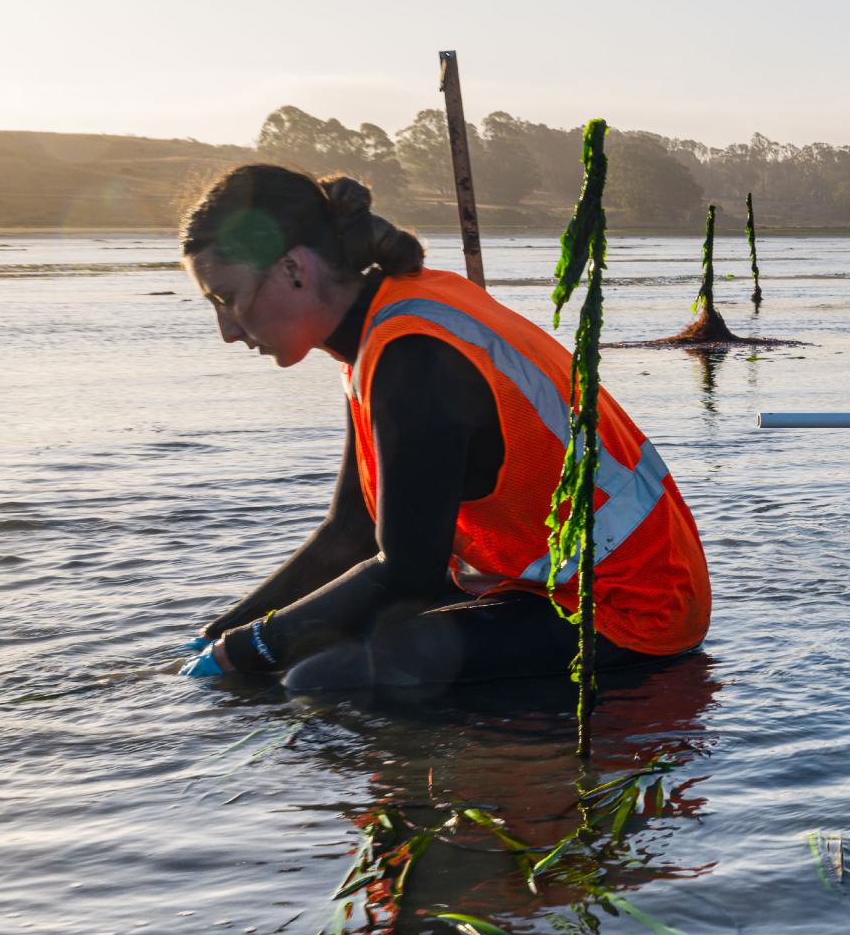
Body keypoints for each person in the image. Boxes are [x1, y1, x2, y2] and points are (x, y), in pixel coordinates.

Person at [177, 164, 711, 690]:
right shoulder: (383, 332)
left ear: (295, 269)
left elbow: (409, 572)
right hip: (552, 590)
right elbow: (351, 532)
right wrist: (221, 634)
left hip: (630, 607)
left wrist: (250, 648)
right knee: (305, 650)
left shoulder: (414, 356)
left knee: (319, 678)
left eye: (227, 298)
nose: (226, 330)